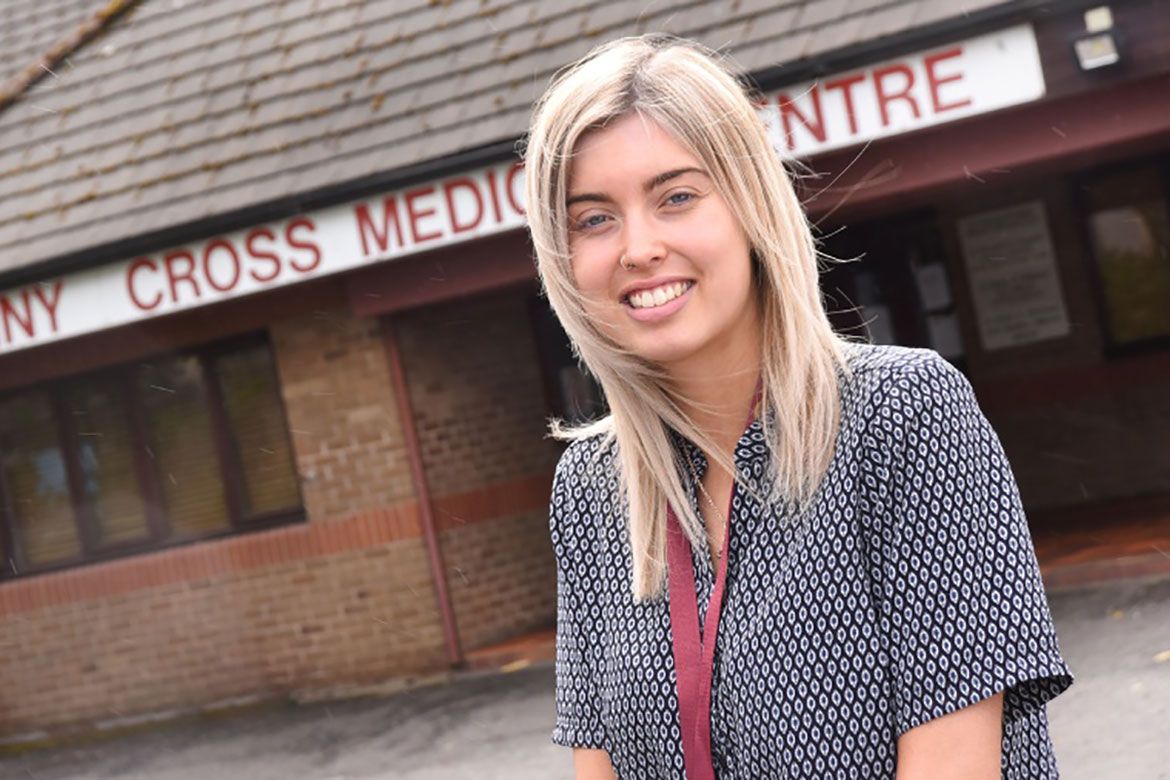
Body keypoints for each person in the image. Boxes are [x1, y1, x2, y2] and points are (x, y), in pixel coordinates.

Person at [523, 34, 1073, 780]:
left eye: (676, 197)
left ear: (750, 206)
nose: (638, 246)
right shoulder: (589, 489)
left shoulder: (902, 416)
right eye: (594, 219)